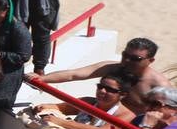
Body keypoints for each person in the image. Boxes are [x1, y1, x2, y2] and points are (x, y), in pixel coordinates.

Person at [34, 37, 164, 116]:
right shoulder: (113, 67)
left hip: (127, 126)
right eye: (125, 55)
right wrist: (41, 79)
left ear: (150, 61)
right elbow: (73, 74)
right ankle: (54, 107)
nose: (127, 60)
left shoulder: (159, 85)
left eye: (136, 58)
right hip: (103, 115)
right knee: (88, 101)